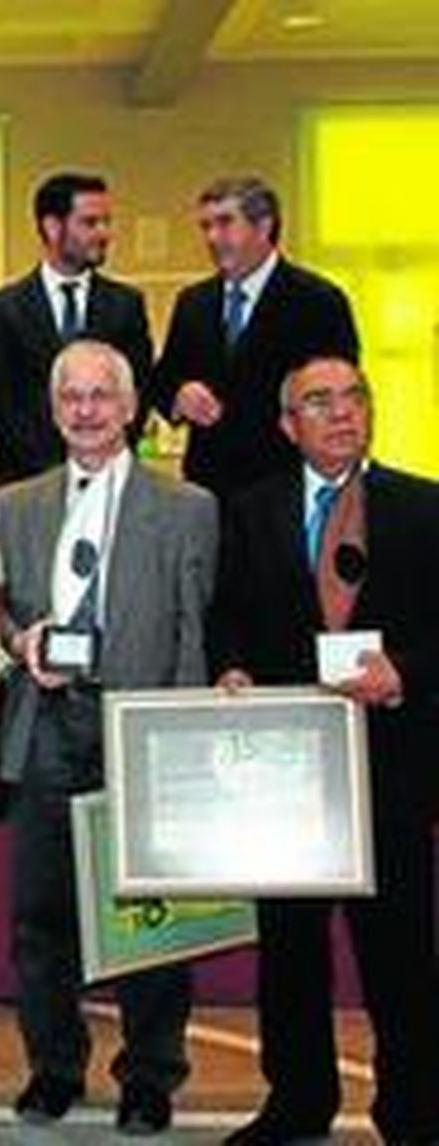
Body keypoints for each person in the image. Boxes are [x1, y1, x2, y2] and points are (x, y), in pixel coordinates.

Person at [211, 356, 439, 1145]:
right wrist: (230, 667)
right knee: (290, 945)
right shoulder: (251, 510)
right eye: (319, 401)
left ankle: (414, 1107)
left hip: (392, 761)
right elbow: (226, 613)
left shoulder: (423, 507)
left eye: (354, 398)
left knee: (401, 947)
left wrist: (404, 672)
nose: (342, 413)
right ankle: (298, 1101)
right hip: (288, 766)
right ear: (287, 425)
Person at [0, 340, 217, 1136]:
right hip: (46, 721)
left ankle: (150, 1076)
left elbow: (193, 631)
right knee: (40, 915)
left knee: (147, 914)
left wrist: (182, 740)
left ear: (128, 408)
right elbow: (1, 611)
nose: (85, 411)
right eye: (71, 397)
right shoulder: (15, 504)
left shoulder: (187, 506)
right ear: (54, 410)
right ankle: (54, 1067)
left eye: (100, 396)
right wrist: (22, 641)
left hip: (140, 724)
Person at [149, 176, 359, 501]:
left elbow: (338, 396)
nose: (212, 237)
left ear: (263, 226)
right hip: (208, 489)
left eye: (225, 223)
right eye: (206, 227)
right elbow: (164, 378)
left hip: (285, 486)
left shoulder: (318, 301)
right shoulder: (194, 303)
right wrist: (180, 396)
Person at [0, 172, 154, 501]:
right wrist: (61, 475)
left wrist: (95, 463)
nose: (103, 233)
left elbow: (138, 394)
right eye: (90, 222)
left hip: (110, 484)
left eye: (106, 222)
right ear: (52, 227)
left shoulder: (126, 305)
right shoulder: (5, 308)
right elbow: (1, 405)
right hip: (28, 487)